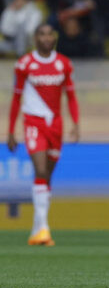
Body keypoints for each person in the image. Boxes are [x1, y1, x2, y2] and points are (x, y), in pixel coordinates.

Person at [7, 24, 80, 246]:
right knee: (39, 169)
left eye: (50, 34)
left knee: (47, 176)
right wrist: (11, 130)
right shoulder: (25, 64)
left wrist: (76, 123)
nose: (46, 38)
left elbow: (71, 96)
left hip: (55, 125)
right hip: (33, 123)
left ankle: (36, 229)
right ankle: (45, 228)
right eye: (42, 34)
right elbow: (16, 98)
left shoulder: (63, 64)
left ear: (54, 38)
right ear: (35, 37)